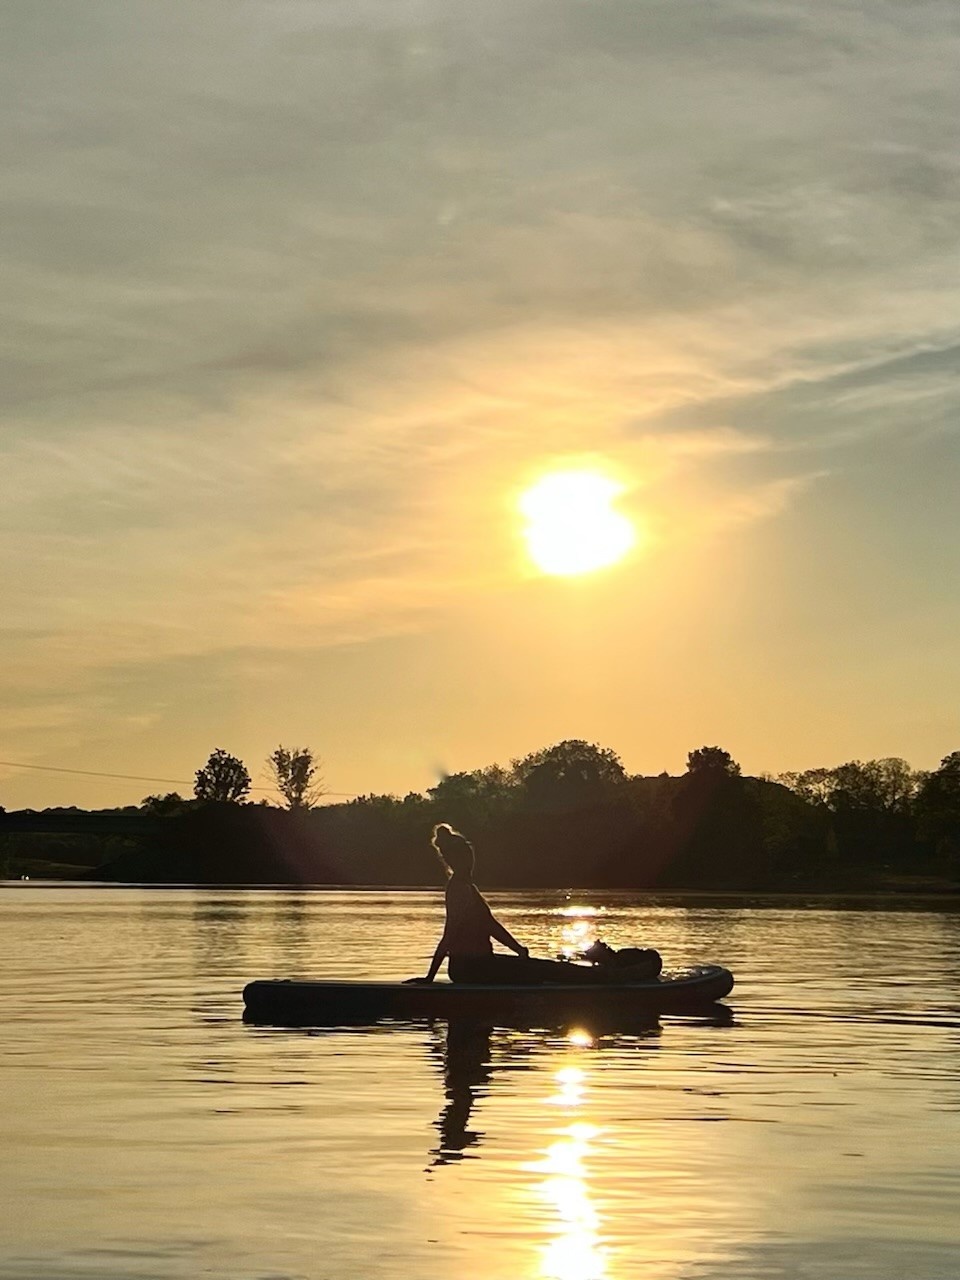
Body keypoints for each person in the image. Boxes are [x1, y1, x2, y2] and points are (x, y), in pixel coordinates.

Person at [411, 824, 609, 985]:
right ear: (455, 860)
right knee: (543, 971)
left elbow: (491, 925)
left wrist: (518, 950)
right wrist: (430, 977)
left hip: (483, 964)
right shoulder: (458, 889)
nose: (472, 861)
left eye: (472, 856)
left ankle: (602, 978)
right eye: (467, 857)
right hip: (471, 969)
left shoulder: (467, 887)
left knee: (542, 967)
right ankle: (604, 980)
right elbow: (450, 934)